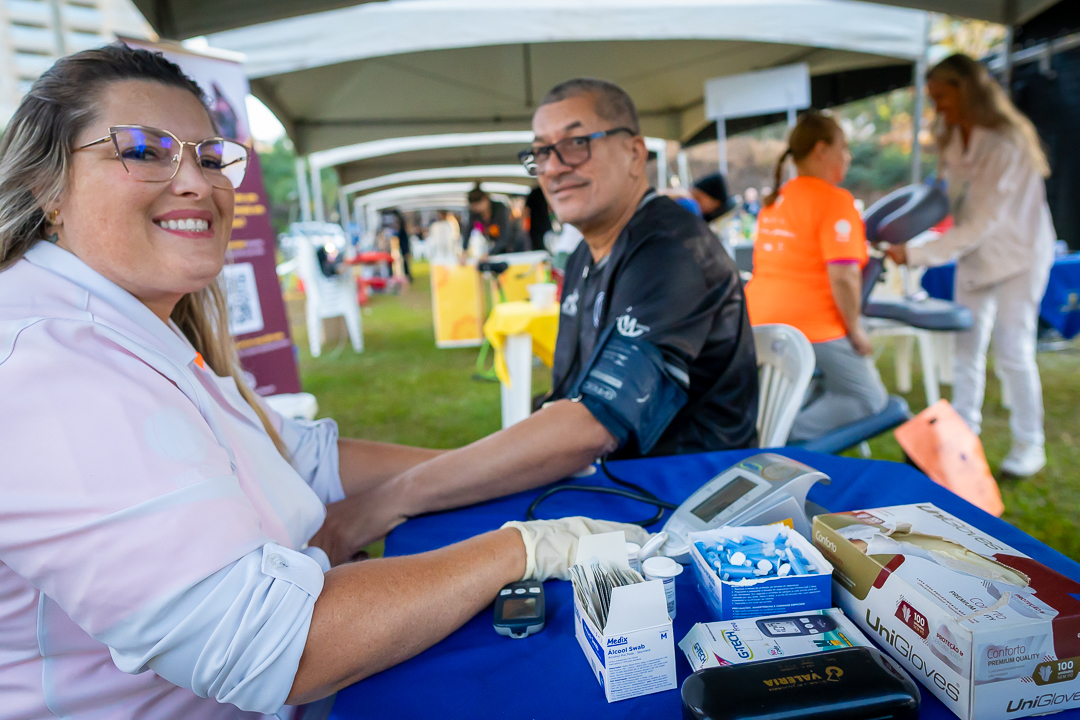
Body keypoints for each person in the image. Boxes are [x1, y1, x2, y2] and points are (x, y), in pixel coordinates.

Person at [0, 44, 649, 718]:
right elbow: (270, 644)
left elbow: (299, 457)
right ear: (48, 187)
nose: (195, 181)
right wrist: (521, 549)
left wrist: (482, 471)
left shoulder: (125, 324)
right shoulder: (47, 368)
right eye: (143, 150)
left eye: (211, 156)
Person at [317, 77, 759, 563]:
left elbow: (592, 426)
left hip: (684, 505)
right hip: (607, 482)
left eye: (575, 143)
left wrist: (388, 500)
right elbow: (566, 403)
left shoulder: (670, 250)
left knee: (436, 548)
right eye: (541, 152)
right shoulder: (586, 255)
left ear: (635, 153)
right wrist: (429, 480)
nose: (553, 167)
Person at [886, 54, 1056, 477]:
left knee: (1013, 350)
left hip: (1021, 254)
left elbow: (983, 220)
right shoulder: (951, 137)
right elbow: (952, 203)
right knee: (966, 349)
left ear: (968, 91)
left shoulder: (1006, 142)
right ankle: (962, 440)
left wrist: (917, 254)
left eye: (942, 97)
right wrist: (908, 231)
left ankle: (1029, 444)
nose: (937, 107)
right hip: (975, 255)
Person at [745, 110, 888, 442]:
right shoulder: (835, 201)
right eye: (843, 147)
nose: (848, 156)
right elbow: (844, 276)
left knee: (822, 383)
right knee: (870, 399)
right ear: (821, 150)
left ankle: (776, 426)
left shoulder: (776, 200)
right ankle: (779, 434)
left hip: (760, 322)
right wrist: (855, 330)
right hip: (811, 328)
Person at [465, 185, 524, 255]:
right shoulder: (476, 214)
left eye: (477, 206)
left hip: (515, 246)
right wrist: (464, 250)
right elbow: (468, 230)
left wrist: (490, 253)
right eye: (474, 208)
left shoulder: (500, 209)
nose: (477, 210)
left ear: (485, 200)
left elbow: (505, 235)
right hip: (497, 248)